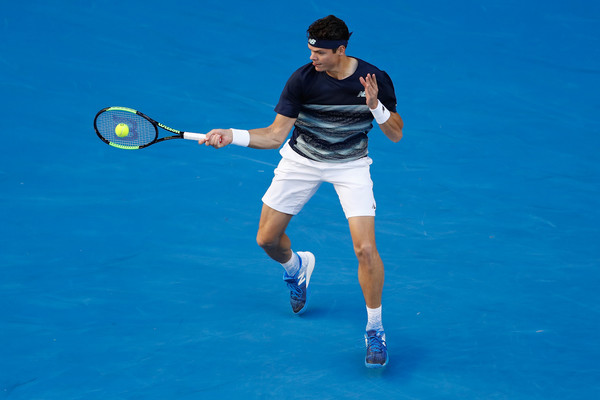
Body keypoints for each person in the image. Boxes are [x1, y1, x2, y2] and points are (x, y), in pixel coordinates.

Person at [200, 15, 403, 368]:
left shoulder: (375, 79)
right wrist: (232, 134)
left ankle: (375, 329)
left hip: (351, 164)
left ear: (341, 50)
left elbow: (396, 133)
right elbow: (275, 135)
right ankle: (297, 267)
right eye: (310, 50)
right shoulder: (302, 79)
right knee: (266, 240)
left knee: (365, 249)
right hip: (302, 160)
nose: (313, 57)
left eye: (320, 53)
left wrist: (376, 106)